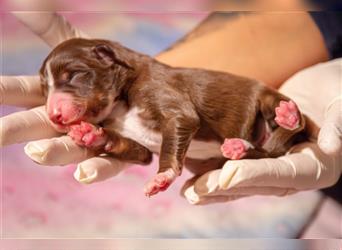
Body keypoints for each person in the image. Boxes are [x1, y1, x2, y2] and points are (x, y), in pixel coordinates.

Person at [0, 12, 341, 205]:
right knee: (248, 166)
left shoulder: (146, 84)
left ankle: (286, 125)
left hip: (258, 106)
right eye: (49, 90)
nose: (53, 108)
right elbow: (139, 153)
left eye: (69, 79)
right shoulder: (118, 111)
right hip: (246, 145)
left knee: (268, 105)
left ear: (107, 60)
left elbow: (182, 118)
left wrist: (168, 168)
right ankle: (260, 148)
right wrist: (107, 142)